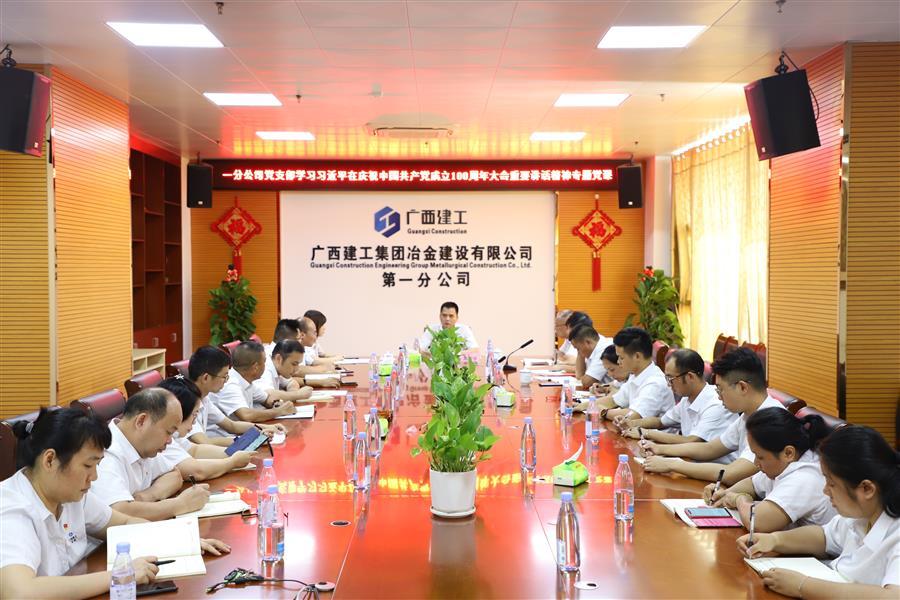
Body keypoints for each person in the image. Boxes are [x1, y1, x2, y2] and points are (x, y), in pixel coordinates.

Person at [0, 408, 231, 599]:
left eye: (97, 466)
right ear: (50, 460)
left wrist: (181, 540)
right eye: (88, 466)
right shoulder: (12, 508)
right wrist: (121, 575)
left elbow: (125, 523)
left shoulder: (69, 494)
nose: (94, 477)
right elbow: (19, 592)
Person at [737, 425, 898, 599]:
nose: (825, 491)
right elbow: (824, 536)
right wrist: (775, 540)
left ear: (866, 489)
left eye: (831, 484)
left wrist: (802, 586)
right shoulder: (863, 513)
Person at [639, 347, 785, 484]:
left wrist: (672, 465)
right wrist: (659, 449)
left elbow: (731, 473)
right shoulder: (749, 414)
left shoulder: (771, 421)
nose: (719, 397)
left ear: (742, 387)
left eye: (720, 389)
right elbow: (710, 448)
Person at [90, 388, 212, 520]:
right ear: (141, 421)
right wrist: (181, 504)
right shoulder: (105, 454)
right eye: (168, 432)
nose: (170, 440)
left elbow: (174, 474)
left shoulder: (142, 444)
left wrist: (147, 496)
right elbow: (118, 512)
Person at [710, 407, 837, 532]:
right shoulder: (784, 463)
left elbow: (757, 523)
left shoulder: (805, 477)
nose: (756, 463)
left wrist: (740, 499)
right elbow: (753, 484)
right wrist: (723, 494)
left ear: (788, 453)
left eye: (760, 457)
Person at [622, 349, 737, 450]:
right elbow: (661, 421)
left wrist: (646, 433)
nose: (668, 385)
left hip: (714, 465)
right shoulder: (687, 399)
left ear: (690, 377)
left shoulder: (716, 403)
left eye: (671, 379)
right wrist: (631, 423)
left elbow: (693, 441)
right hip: (691, 460)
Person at [156, 377, 254, 481]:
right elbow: (196, 472)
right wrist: (232, 462)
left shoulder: (174, 435)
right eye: (194, 415)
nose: (194, 422)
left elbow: (195, 450)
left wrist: (236, 451)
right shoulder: (162, 440)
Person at [185, 345, 284, 446]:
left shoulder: (204, 398)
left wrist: (265, 427)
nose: (226, 381)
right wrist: (252, 439)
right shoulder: (186, 402)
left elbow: (232, 426)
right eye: (224, 376)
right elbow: (204, 442)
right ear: (206, 378)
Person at [597, 327, 673, 423]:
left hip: (652, 432)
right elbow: (614, 400)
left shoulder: (655, 383)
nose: (618, 362)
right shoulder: (635, 374)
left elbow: (634, 415)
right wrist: (586, 406)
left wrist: (604, 412)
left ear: (637, 356)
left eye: (621, 357)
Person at [207, 341, 298, 423]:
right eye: (264, 362)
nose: (266, 365)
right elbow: (246, 416)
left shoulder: (246, 380)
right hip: (227, 435)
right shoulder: (230, 384)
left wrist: (277, 404)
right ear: (255, 367)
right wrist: (279, 411)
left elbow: (266, 398)